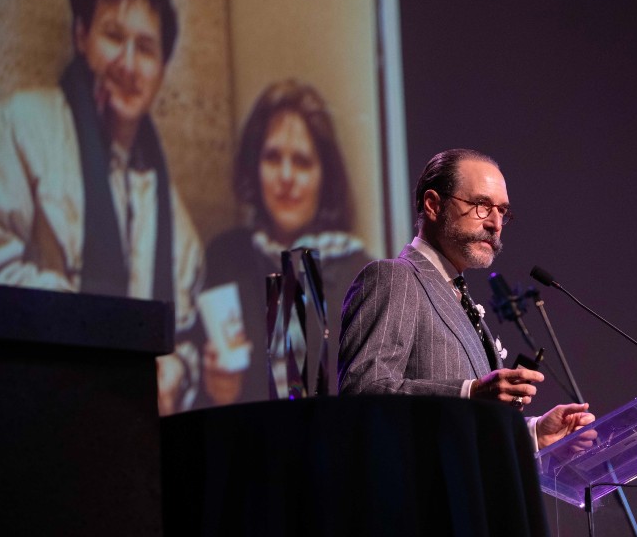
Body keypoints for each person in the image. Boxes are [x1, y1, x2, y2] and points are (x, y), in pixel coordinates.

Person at [0, 0, 203, 415]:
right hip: (24, 418)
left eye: (147, 47)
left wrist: (180, 370)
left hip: (133, 440)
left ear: (161, 69)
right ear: (80, 34)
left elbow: (186, 332)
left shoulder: (170, 203)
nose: (129, 64)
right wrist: (99, 331)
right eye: (114, 35)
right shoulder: (18, 129)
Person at [338, 148, 594, 450]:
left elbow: (467, 425)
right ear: (433, 205)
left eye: (502, 211)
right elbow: (364, 393)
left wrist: (533, 434)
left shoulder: (459, 295)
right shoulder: (395, 278)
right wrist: (468, 393)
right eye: (482, 205)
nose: (495, 224)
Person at [196, 78, 371, 408]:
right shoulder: (225, 258)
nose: (286, 176)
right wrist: (218, 392)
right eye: (273, 158)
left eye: (302, 162)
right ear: (254, 165)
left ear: (325, 176)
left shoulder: (359, 273)